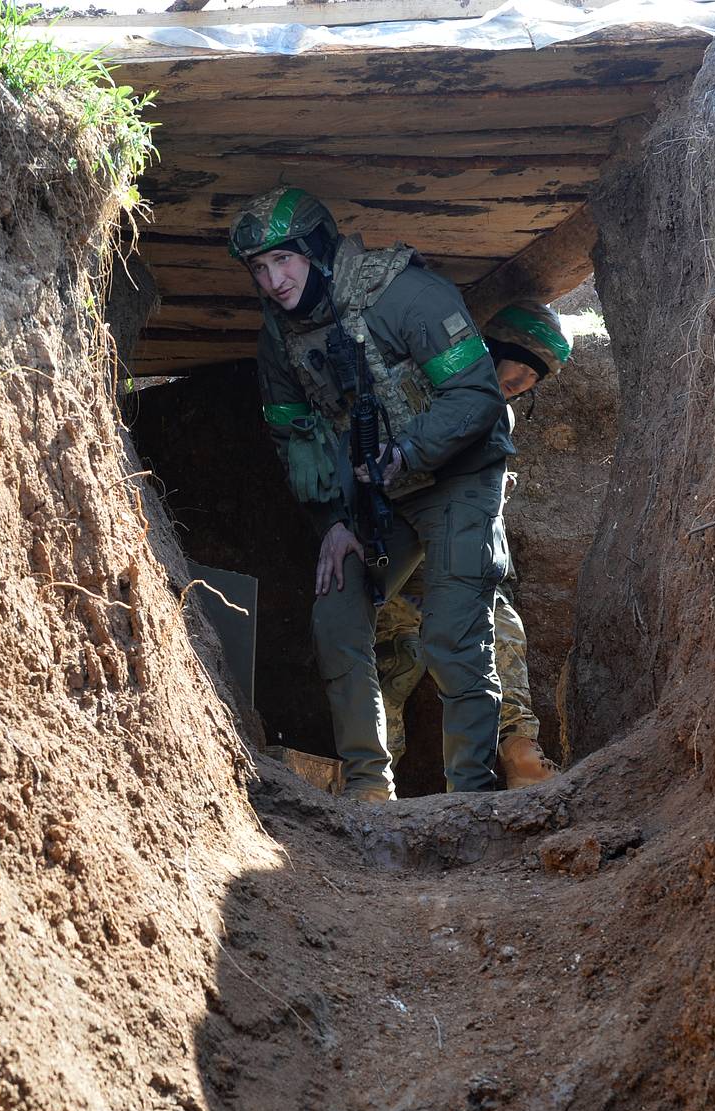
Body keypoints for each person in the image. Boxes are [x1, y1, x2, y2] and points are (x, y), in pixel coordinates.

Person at [229, 187, 512, 801]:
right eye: (259, 268)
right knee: (334, 617)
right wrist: (332, 522)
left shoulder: (407, 294)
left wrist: (408, 451)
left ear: (316, 250)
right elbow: (292, 438)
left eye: (285, 260)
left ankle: (472, 801)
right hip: (373, 496)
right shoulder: (279, 339)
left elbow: (477, 397)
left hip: (456, 478)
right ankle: (368, 796)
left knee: (453, 638)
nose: (274, 281)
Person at [375, 301, 571, 789]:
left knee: (501, 639)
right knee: (391, 671)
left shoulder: (496, 412)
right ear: (493, 349)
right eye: (520, 365)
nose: (525, 380)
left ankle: (519, 756)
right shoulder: (435, 394)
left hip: (459, 574)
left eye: (536, 376)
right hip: (404, 570)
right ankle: (372, 786)